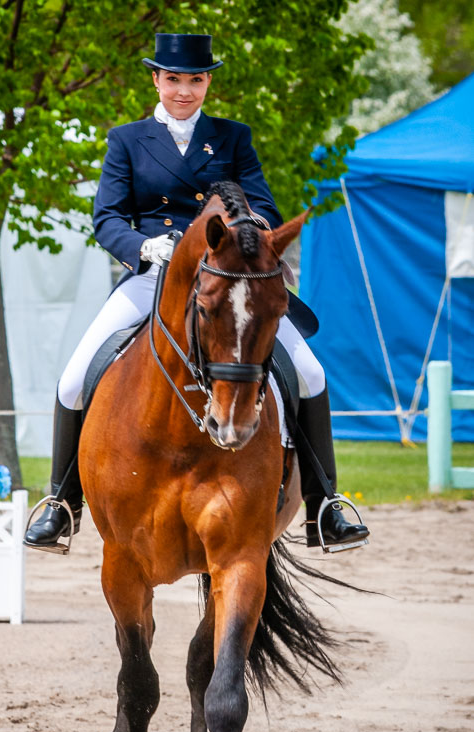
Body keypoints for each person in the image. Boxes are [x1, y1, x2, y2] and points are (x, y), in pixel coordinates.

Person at [25, 33, 369, 552]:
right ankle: (61, 502)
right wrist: (146, 247)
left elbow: (265, 207)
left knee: (312, 372)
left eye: (196, 80)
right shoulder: (127, 139)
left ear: (208, 82)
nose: (184, 90)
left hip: (225, 275)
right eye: (174, 79)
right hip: (154, 277)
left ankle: (325, 506)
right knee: (74, 379)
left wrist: (244, 232)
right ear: (157, 80)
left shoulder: (232, 137)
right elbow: (107, 217)